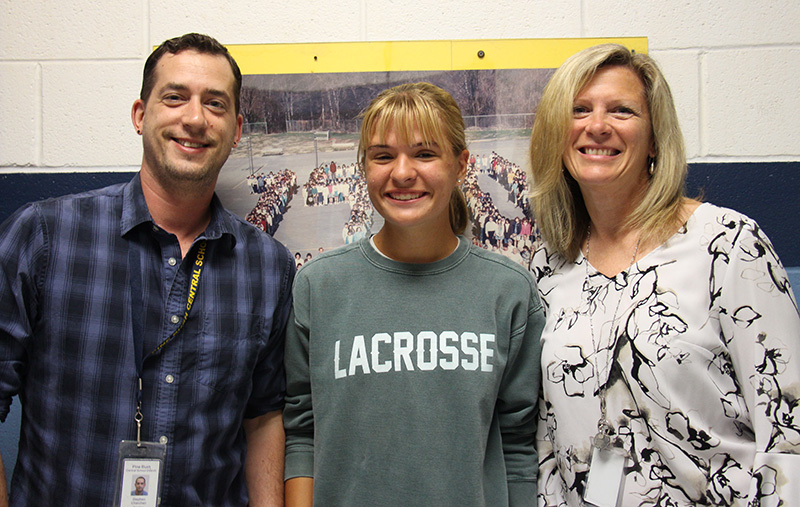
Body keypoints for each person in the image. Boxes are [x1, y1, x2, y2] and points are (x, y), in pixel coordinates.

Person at [0, 33, 294, 506]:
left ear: (237, 130)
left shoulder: (267, 267)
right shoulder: (44, 236)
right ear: (141, 115)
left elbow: (263, 419)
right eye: (175, 97)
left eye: (215, 104)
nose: (195, 118)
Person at [527, 43, 800, 506]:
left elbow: (789, 425)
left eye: (622, 110)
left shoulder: (726, 243)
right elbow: (546, 440)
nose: (597, 125)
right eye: (579, 110)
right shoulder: (546, 268)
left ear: (655, 137)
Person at [283, 82, 544, 506]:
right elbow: (302, 431)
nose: (402, 173)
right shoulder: (318, 286)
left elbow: (516, 445)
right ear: (364, 166)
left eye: (425, 153)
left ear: (461, 165)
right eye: (383, 155)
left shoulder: (508, 293)